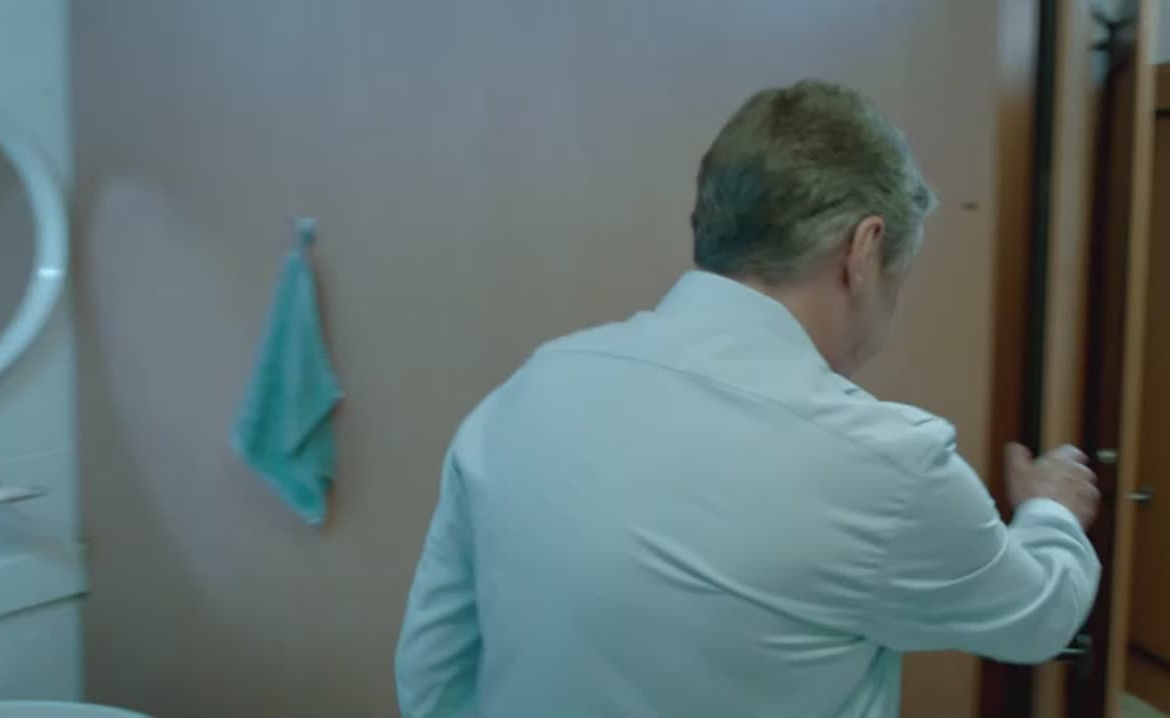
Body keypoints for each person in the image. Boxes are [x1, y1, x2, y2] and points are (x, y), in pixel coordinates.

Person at [394, 79, 1101, 718]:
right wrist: (1051, 511)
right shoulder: (887, 466)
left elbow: (433, 674)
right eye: (899, 280)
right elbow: (1039, 618)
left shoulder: (528, 391)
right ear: (862, 251)